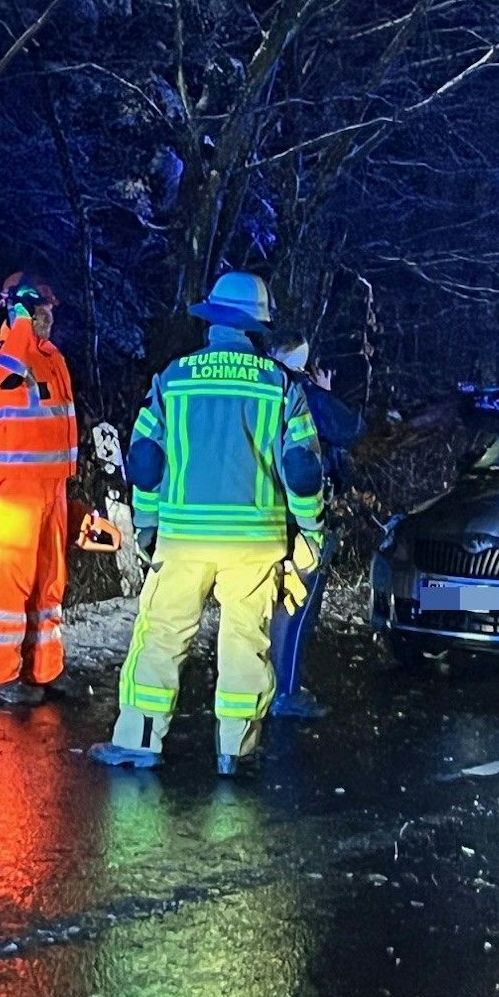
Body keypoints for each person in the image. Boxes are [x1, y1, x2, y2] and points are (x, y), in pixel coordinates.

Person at [91, 272, 325, 774]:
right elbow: (303, 471)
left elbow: (146, 458)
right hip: (255, 543)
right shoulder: (279, 383)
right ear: (257, 326)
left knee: (161, 635)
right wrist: (313, 530)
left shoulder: (174, 377)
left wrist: (148, 524)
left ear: (214, 320)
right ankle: (234, 751)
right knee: (246, 642)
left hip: (183, 538)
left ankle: (139, 741)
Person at [0, 272, 80, 706]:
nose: (46, 317)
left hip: (51, 486)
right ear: (18, 311)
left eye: (48, 309)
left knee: (50, 581)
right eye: (38, 310)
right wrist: (17, 322)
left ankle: (43, 670)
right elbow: (5, 376)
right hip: (15, 487)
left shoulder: (52, 356)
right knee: (11, 582)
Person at [266, 338, 365, 719]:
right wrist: (322, 392)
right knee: (297, 609)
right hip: (300, 522)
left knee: (262, 610)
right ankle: (286, 692)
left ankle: (259, 687)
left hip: (259, 520)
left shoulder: (258, 389)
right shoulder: (301, 393)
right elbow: (350, 427)